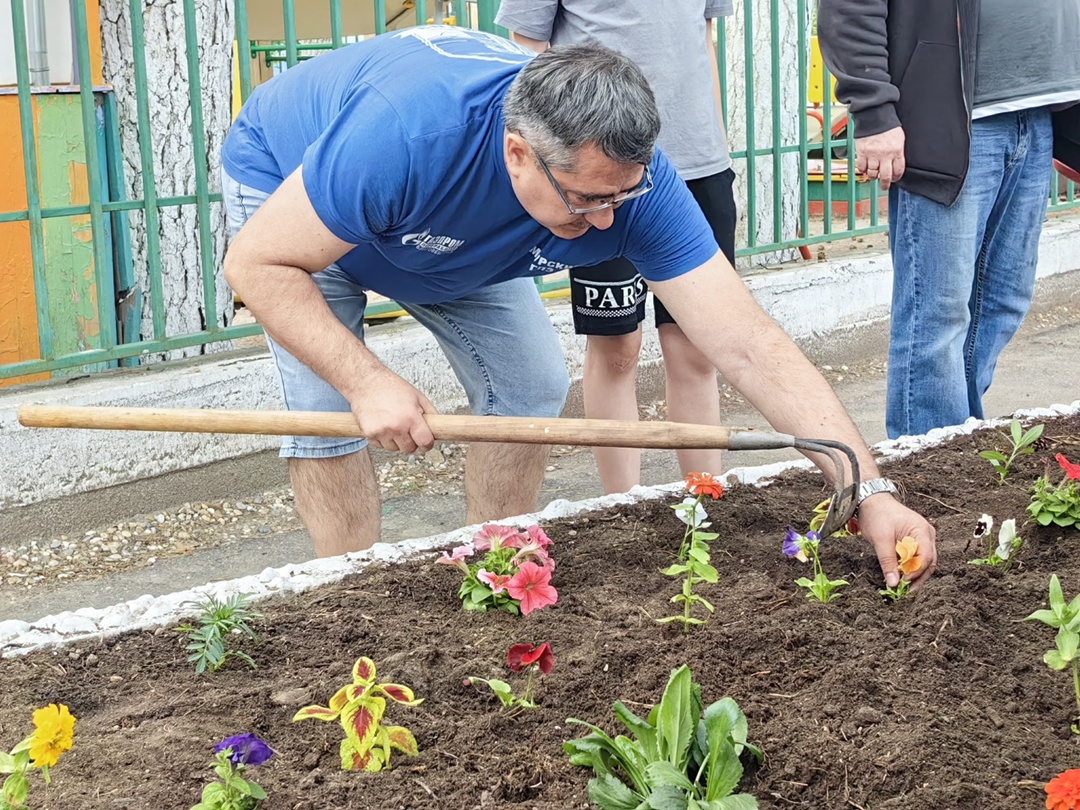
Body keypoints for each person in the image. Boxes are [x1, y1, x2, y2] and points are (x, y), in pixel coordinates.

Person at [222, 25, 936, 589]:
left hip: (444, 230)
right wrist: (366, 380)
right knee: (328, 407)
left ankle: (494, 568)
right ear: (517, 154)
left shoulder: (632, 187)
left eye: (621, 195)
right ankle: (346, 590)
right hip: (297, 207)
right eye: (587, 198)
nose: (606, 222)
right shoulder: (408, 137)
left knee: (530, 386)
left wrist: (867, 488)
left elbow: (748, 344)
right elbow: (257, 265)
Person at [495, 1, 736, 495]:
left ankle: (703, 502)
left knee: (697, 348)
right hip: (601, 177)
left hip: (699, 166)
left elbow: (704, 38)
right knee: (617, 348)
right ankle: (622, 506)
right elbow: (526, 53)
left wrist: (716, 146)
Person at [817, 0, 1080, 440]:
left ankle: (959, 442)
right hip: (951, 120)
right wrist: (873, 109)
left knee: (1003, 300)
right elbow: (851, 7)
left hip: (1037, 115)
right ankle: (924, 455)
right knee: (937, 313)